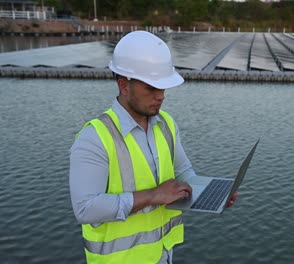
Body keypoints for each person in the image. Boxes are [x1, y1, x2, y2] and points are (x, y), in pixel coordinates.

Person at [69, 31, 237, 264]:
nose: (161, 96)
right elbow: (86, 208)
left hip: (163, 255)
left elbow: (183, 172)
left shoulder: (166, 124)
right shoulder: (94, 138)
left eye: (163, 87)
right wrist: (153, 196)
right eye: (151, 87)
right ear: (123, 85)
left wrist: (210, 194)